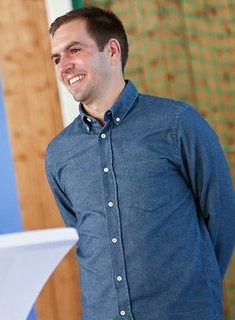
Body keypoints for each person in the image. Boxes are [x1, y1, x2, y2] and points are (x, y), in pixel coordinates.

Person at [45, 7, 234, 320]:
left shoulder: (177, 124)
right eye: (56, 58)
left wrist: (194, 292)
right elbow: (84, 238)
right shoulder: (59, 153)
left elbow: (222, 219)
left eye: (74, 50)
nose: (64, 66)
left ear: (113, 51)